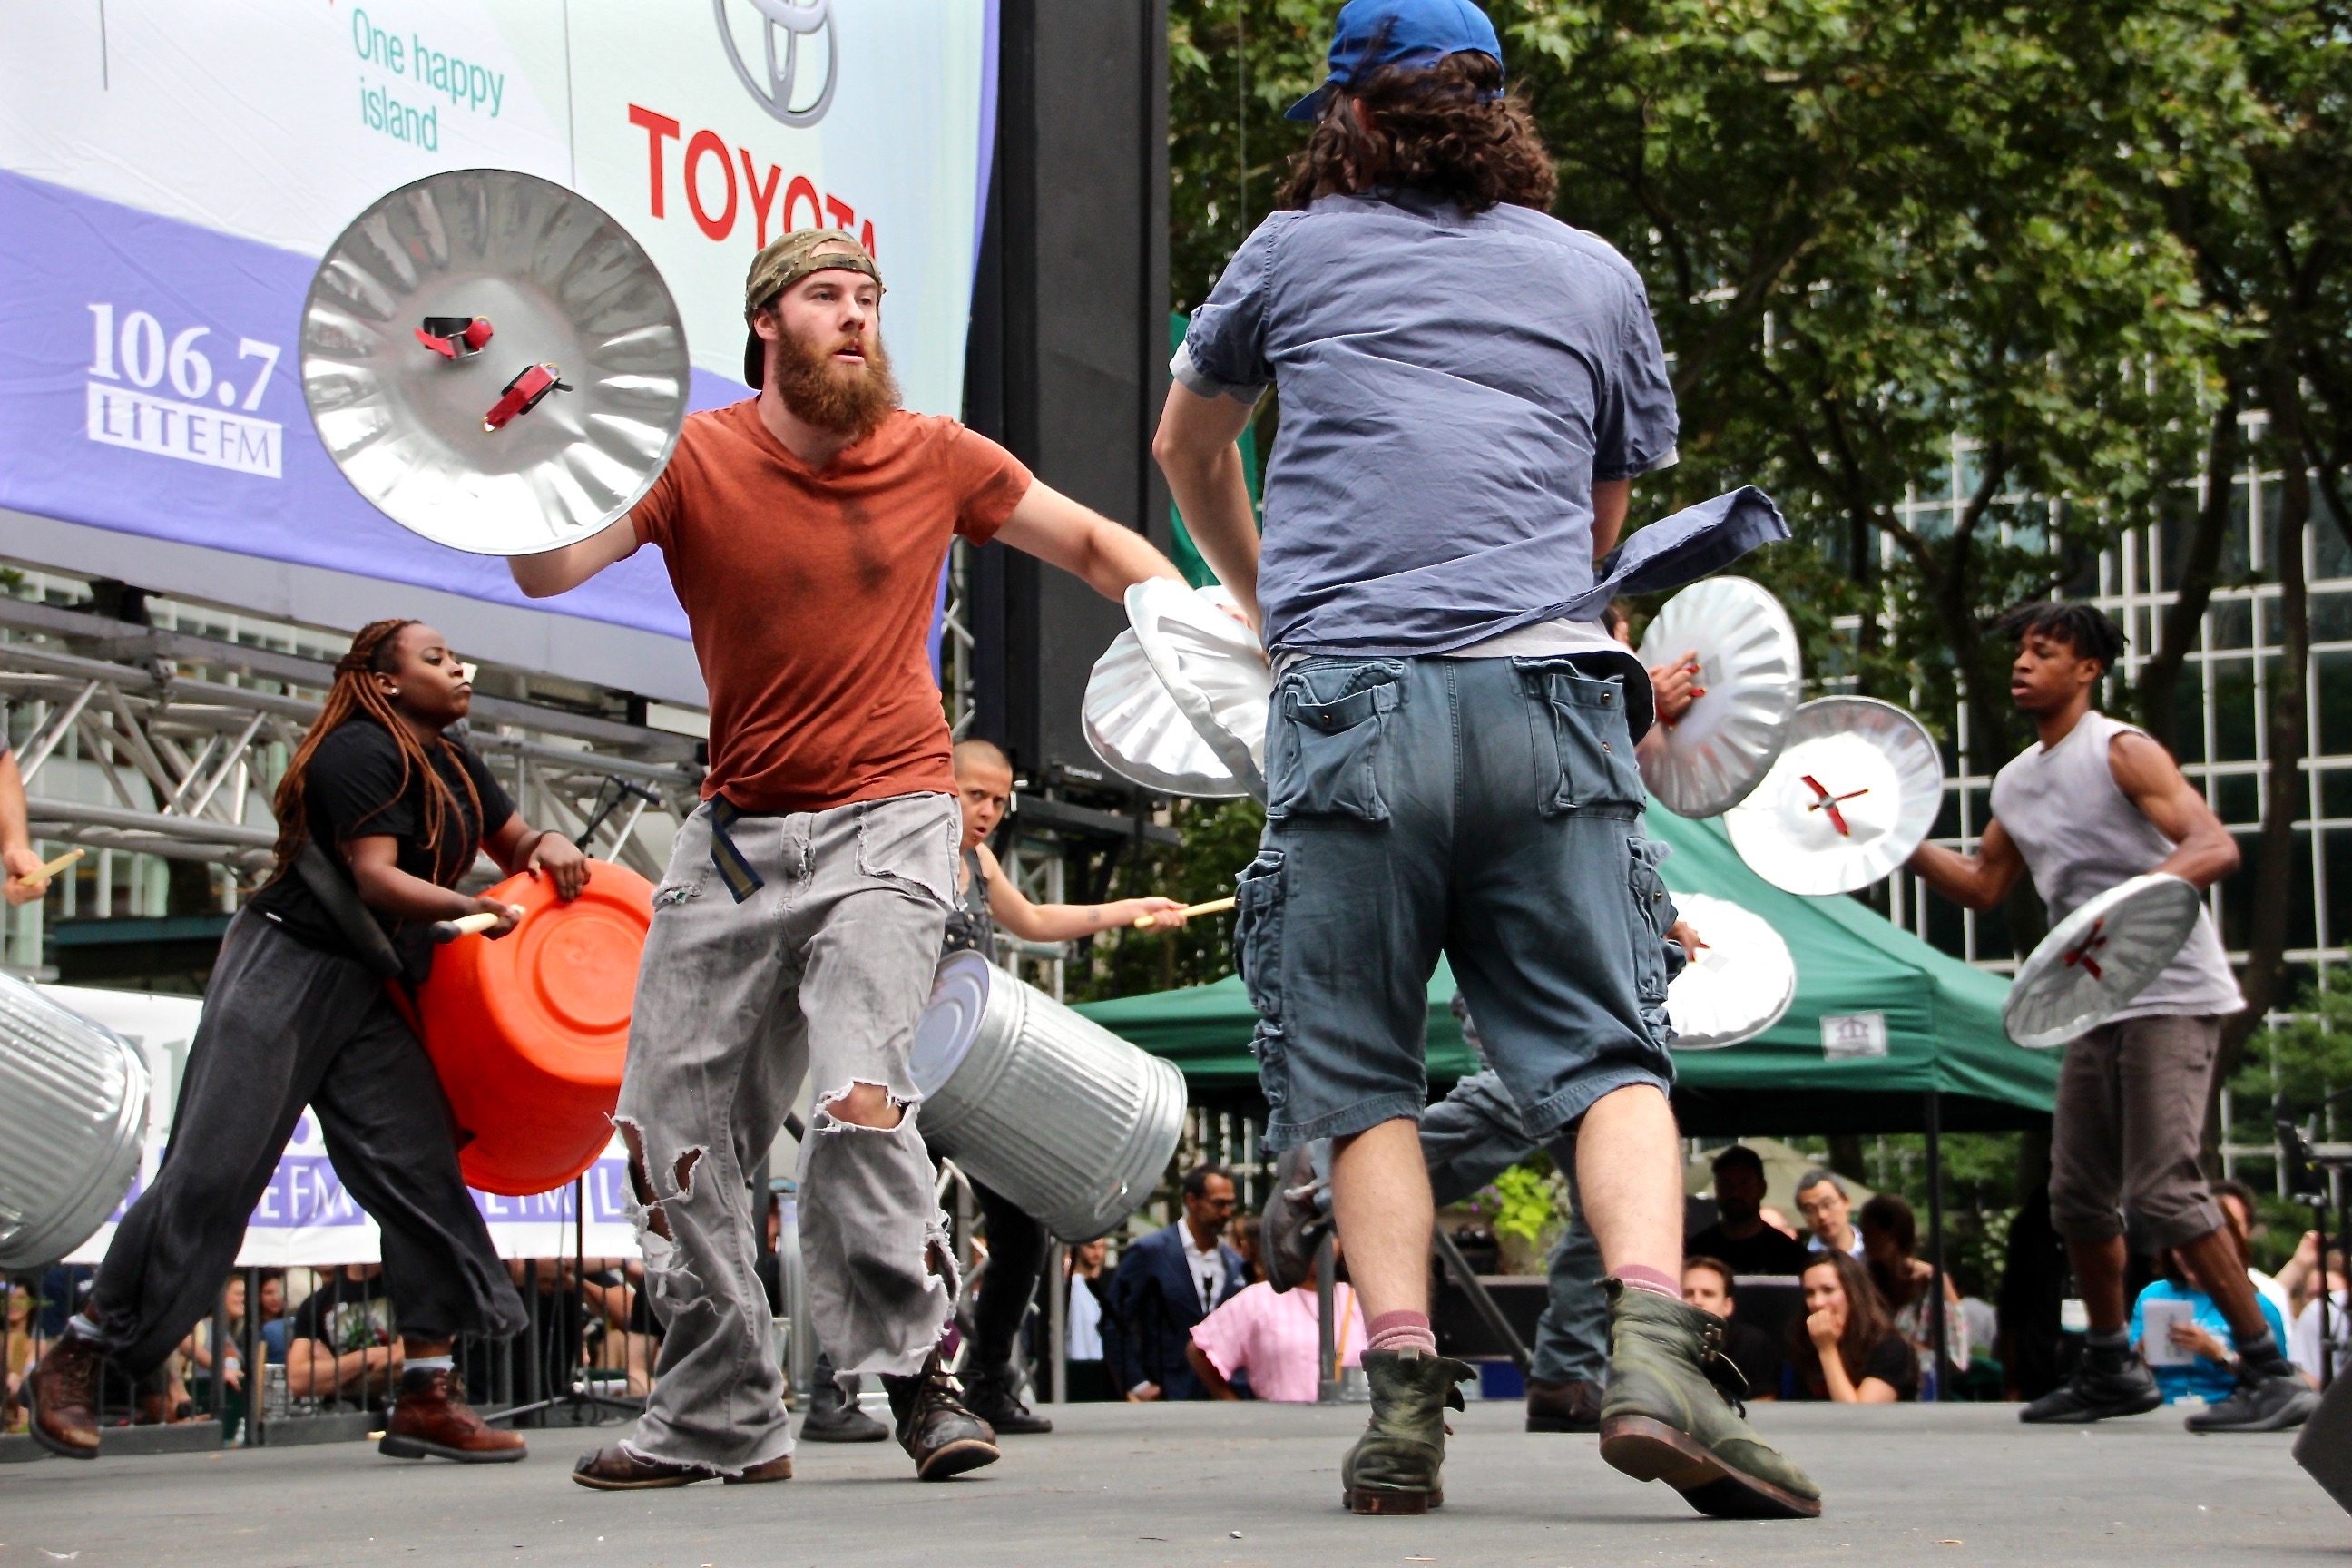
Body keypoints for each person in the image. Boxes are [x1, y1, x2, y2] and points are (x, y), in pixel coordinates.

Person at [1153, 0, 1814, 1520]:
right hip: (1545, 699)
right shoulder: (1595, 273)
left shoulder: (1288, 247)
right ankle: (1651, 1345)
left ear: (1351, 117)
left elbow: (1186, 452)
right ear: (1495, 111)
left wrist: (1273, 609)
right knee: (1607, 1054)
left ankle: (1397, 1413)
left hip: (1351, 707)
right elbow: (1595, 537)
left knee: (1363, 1073)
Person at [513, 228, 1191, 1491]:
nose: (856, 316)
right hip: (735, 839)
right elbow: (546, 569)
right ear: (767, 323)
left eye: (871, 297)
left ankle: (920, 1373)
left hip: (892, 818)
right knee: (676, 1139)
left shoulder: (936, 454)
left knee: (858, 1094)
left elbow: (1103, 549)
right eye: (828, 295)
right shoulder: (693, 455)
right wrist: (519, 452)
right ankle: (720, 1413)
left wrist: (1196, 638)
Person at [20, 618, 587, 1465]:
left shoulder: (457, 765)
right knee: (213, 1173)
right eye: (435, 658)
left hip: (364, 982)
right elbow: (376, 877)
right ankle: (80, 1355)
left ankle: (428, 1393)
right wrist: (477, 910)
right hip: (285, 967)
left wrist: (552, 843)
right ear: (387, 682)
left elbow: (517, 843)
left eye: (455, 655)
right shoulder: (355, 752)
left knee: (420, 1170)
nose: (458, 666)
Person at [1906, 601, 2315, 1434]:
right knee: (2077, 1197)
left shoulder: (2121, 749)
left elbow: (2212, 846)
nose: (2023, 664)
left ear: (2086, 671)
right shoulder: (2018, 781)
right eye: (2020, 651)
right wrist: (1884, 842)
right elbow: (1985, 885)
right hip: (2089, 1004)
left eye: (2044, 651)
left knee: (2164, 1190)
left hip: (2170, 995)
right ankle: (2109, 1368)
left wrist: (2122, 915)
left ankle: (2271, 1372)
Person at [927, 737, 1190, 1436]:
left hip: (976, 1078)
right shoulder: (900, 856)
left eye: (998, 799)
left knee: (1021, 1227)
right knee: (888, 1232)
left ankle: (987, 1378)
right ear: (938, 784)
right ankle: (843, 1388)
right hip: (906, 1082)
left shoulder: (976, 862)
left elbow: (1037, 922)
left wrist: (1134, 908)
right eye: (973, 795)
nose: (988, 812)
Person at [1103, 1167, 1246, 1401]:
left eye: (1231, 1204)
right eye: (1219, 1204)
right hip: (1168, 1392)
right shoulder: (1151, 1252)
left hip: (1224, 1395)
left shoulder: (1234, 1263)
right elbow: (1114, 1320)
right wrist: (1137, 1382)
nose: (1227, 1212)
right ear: (1191, 1201)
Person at [1188, 1238, 1367, 1403]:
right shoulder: (1258, 1298)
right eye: (1311, 1234)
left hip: (1349, 1429)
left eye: (1330, 1235)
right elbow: (1199, 1349)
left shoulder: (1360, 1300)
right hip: (1278, 1428)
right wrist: (1234, 1406)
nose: (1319, 1245)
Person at [2131, 1247, 2290, 1407]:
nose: (2190, 1257)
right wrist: (2145, 1352)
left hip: (2230, 1408)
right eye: (2180, 1249)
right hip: (2162, 1409)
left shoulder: (2257, 1305)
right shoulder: (2152, 1295)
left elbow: (2278, 1383)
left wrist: (2219, 1354)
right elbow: (2130, 1375)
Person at [1857, 1194, 1965, 1390]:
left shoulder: (1934, 1281)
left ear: (1893, 1234)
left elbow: (1956, 1355)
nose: (1864, 1240)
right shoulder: (1865, 1281)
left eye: (1870, 1232)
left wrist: (1903, 1347)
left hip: (1925, 1384)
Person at [1786, 1254, 1915, 1404]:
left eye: (1828, 1290)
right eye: (1810, 1293)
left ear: (1853, 1294)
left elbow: (1857, 1417)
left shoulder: (1890, 1346)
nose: (1817, 1302)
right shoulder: (1805, 1342)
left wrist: (1827, 1350)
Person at [1688, 1148, 1813, 1278]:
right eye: (1727, 1184)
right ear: (1717, 1188)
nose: (1735, 1193)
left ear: (1762, 1188)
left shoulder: (1791, 1255)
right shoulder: (1696, 1253)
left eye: (1744, 1184)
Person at [1681, 1258, 1781, 1402]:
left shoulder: (1752, 1343)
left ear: (1728, 1305)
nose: (1697, 1301)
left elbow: (1764, 1403)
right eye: (1688, 1293)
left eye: (1708, 1294)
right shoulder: (1660, 1341)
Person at [1063, 1240, 1115, 1402]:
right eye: (1091, 1247)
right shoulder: (1070, 1287)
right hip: (1075, 1362)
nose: (1097, 1252)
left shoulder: (1111, 1282)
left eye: (1102, 1247)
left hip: (1104, 1363)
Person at [1794, 1171, 1863, 1259]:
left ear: (1846, 1202)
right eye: (1810, 1210)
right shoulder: (1804, 1261)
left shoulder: (1875, 1250)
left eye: (1827, 1204)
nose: (1822, 1216)